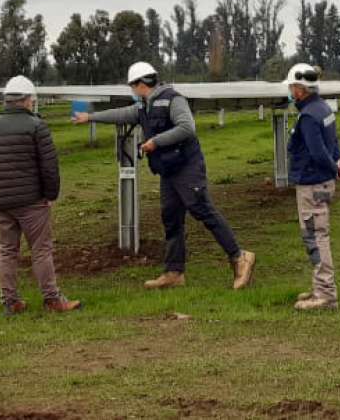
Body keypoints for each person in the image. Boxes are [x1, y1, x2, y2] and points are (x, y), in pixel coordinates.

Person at [74, 61, 256, 290]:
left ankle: (240, 257)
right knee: (171, 218)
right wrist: (90, 118)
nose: (132, 90)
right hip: (168, 171)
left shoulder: (173, 99)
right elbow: (122, 114)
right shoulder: (144, 106)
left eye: (132, 85)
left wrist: (155, 142)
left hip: (187, 167)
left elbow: (187, 127)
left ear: (141, 84)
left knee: (202, 209)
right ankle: (174, 272)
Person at [0, 75, 81, 316]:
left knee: (7, 250)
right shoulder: (36, 126)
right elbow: (49, 166)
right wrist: (49, 194)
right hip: (32, 202)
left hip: (1, 202)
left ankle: (10, 302)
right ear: (27, 100)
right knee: (41, 249)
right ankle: (52, 298)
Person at [285, 62, 340, 311]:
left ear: (300, 89)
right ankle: (320, 287)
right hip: (323, 181)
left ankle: (325, 295)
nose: (290, 91)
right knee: (318, 234)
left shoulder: (310, 115)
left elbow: (317, 150)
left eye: (292, 87)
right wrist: (338, 162)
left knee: (315, 237)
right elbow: (332, 143)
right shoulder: (323, 108)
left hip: (312, 183)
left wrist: (333, 165)